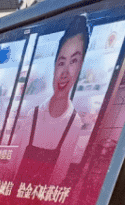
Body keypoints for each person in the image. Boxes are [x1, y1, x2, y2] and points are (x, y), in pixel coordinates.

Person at [13, 16, 92, 182]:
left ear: (81, 67)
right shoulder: (32, 115)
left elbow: (58, 178)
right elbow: (12, 168)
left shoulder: (74, 122)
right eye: (61, 62)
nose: (64, 72)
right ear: (55, 65)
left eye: (74, 61)